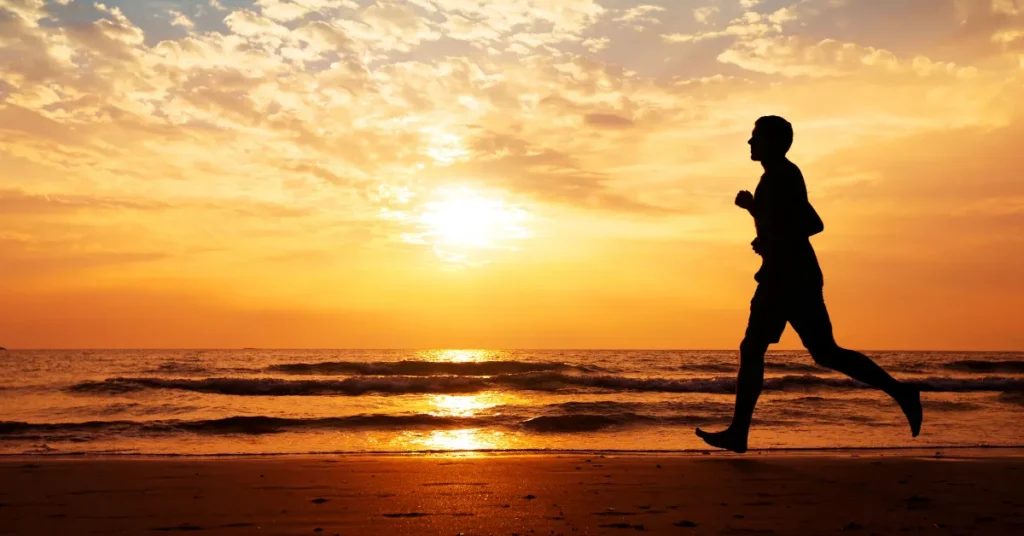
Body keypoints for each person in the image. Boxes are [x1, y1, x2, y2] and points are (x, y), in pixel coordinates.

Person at [695, 116, 923, 454]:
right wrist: (762, 230)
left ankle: (739, 432)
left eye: (755, 137)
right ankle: (900, 392)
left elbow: (812, 224)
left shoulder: (784, 176)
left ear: (774, 142)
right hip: (785, 272)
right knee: (815, 351)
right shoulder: (775, 177)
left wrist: (756, 212)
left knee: (764, 348)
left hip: (790, 277)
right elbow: (782, 225)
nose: (749, 143)